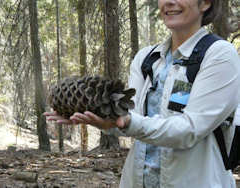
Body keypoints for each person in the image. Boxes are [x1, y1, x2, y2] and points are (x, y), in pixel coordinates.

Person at [44, 0, 240, 187]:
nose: (169, 2)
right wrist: (106, 121)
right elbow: (133, 119)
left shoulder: (220, 55)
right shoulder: (147, 58)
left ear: (205, 3)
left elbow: (190, 129)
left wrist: (128, 122)